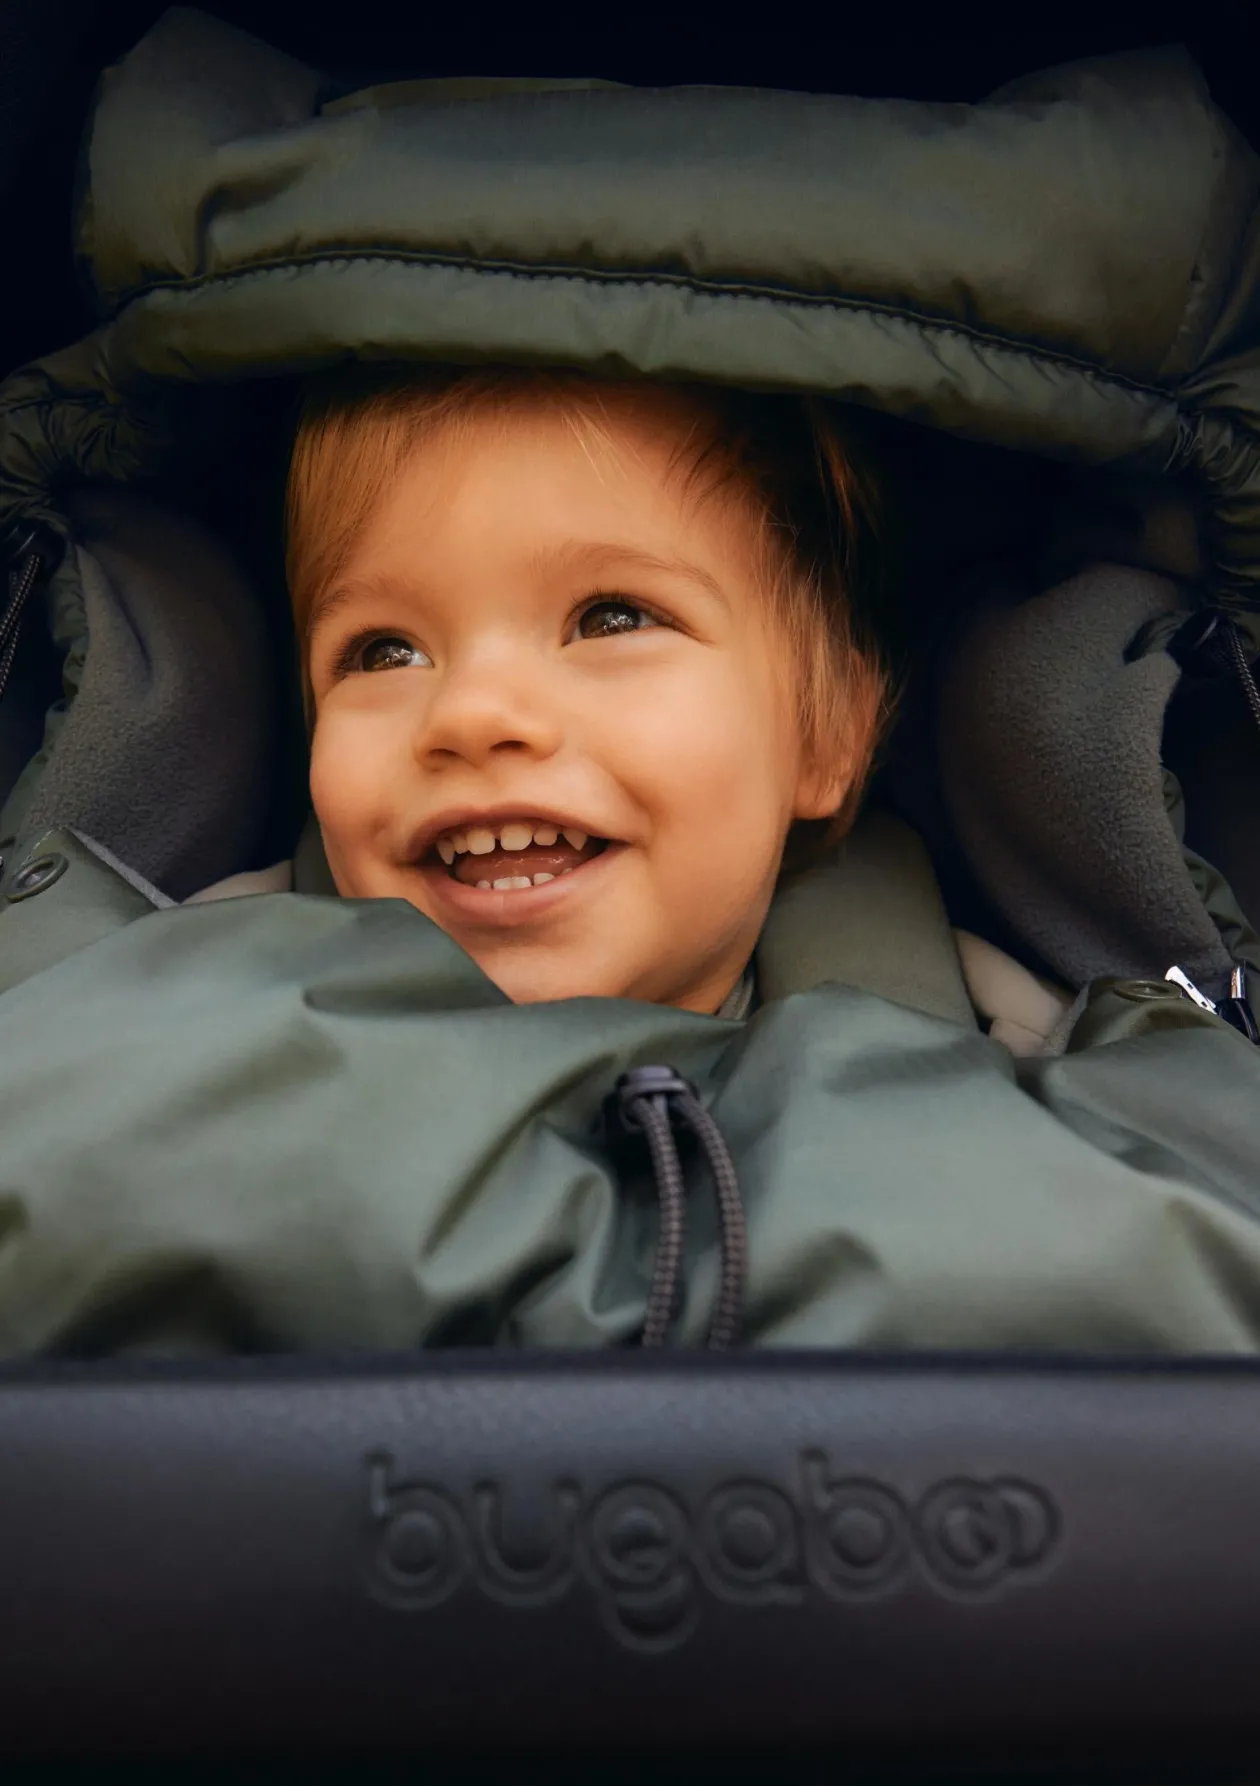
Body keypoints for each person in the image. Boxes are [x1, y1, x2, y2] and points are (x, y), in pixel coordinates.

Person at [284, 362, 893, 1017]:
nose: (469, 713)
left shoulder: (964, 1042)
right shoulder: (208, 1013)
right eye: (385, 654)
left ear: (824, 733)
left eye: (612, 620)